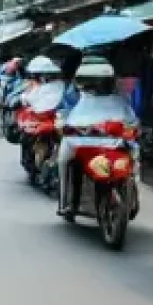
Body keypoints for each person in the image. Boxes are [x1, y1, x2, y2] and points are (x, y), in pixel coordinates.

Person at [57, 57, 137, 219]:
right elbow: (64, 113)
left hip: (113, 143)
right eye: (92, 82)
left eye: (100, 81)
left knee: (134, 160)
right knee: (63, 161)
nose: (96, 86)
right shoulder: (74, 95)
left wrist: (130, 129)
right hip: (80, 142)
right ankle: (64, 202)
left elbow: (131, 120)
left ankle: (133, 198)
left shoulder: (120, 98)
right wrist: (64, 125)